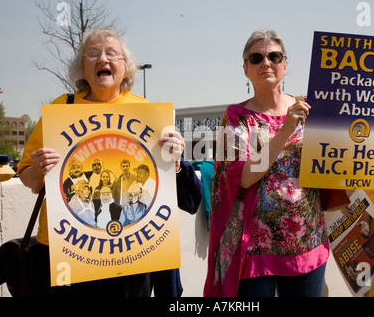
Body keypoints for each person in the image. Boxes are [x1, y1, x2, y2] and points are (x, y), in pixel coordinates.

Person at [18, 29, 202, 297]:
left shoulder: (146, 112)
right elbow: (29, 180)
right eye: (93, 54)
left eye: (111, 53)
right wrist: (37, 168)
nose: (102, 59)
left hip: (133, 257)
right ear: (82, 67)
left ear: (125, 67)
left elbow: (165, 182)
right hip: (68, 251)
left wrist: (174, 160)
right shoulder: (62, 109)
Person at [204, 28, 329, 297]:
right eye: (256, 58)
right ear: (245, 69)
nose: (266, 63)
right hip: (254, 254)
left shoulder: (311, 108)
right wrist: (285, 130)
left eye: (274, 56)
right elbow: (245, 176)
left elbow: (348, 149)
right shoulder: (235, 117)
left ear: (285, 65)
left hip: (308, 245)